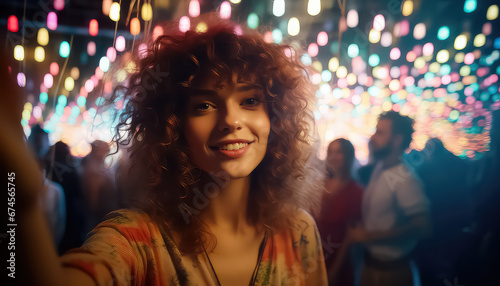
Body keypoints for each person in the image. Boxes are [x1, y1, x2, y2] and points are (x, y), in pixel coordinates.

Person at [1, 16, 327, 285]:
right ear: (173, 127)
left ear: (275, 117)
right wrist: (21, 195)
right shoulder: (137, 242)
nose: (231, 120)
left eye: (250, 101)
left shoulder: (298, 233)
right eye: (204, 105)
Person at [347, 111, 431, 286]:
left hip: (393, 274)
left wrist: (369, 235)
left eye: (380, 133)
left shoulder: (405, 178)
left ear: (397, 139)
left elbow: (423, 226)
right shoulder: (380, 168)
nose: (373, 137)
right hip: (371, 266)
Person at [315, 139, 363, 285]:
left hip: (337, 258)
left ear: (348, 156)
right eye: (330, 151)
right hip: (312, 253)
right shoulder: (317, 185)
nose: (333, 156)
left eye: (339, 152)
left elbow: (350, 236)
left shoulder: (356, 191)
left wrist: (334, 270)